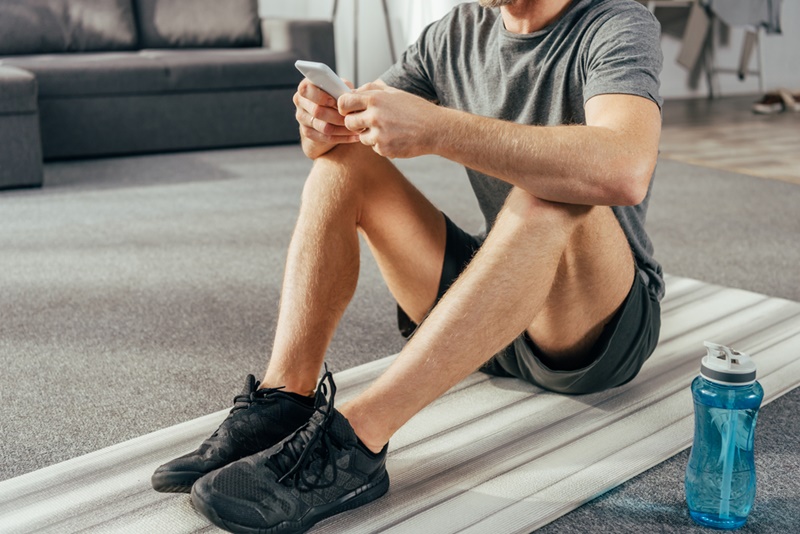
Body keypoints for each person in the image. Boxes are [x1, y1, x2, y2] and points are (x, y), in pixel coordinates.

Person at [151, 0, 664, 532]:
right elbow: (345, 136)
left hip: (596, 326)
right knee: (346, 164)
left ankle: (355, 443)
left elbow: (625, 168)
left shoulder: (617, 22)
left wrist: (439, 129)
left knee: (550, 195)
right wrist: (322, 125)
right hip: (498, 303)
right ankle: (285, 399)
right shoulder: (456, 33)